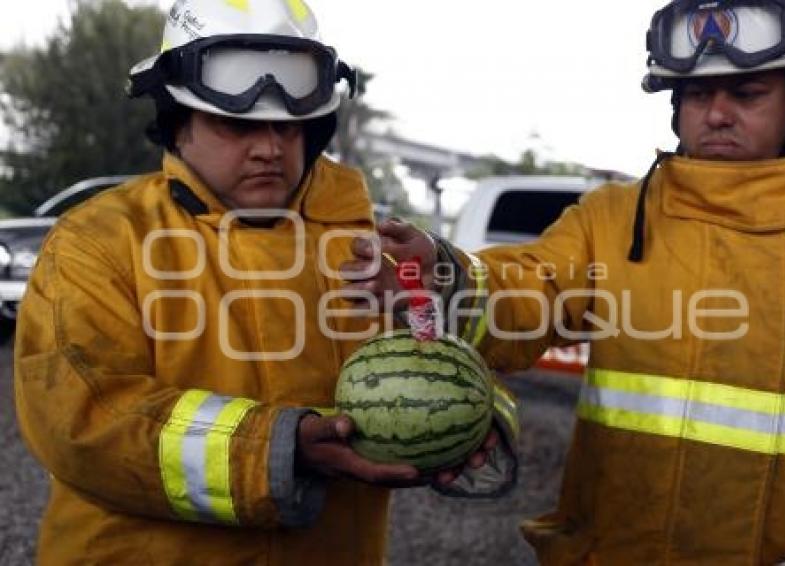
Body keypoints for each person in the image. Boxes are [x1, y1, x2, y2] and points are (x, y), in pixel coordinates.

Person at [343, 0, 785, 563]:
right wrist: (445, 277)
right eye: (699, 94)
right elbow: (531, 290)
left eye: (748, 94)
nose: (718, 114)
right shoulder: (611, 216)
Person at [14, 0, 518, 563]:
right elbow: (81, 422)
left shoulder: (369, 249)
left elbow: (427, 358)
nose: (270, 148)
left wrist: (479, 419)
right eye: (238, 124)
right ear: (178, 122)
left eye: (289, 125)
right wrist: (278, 450)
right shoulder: (99, 242)